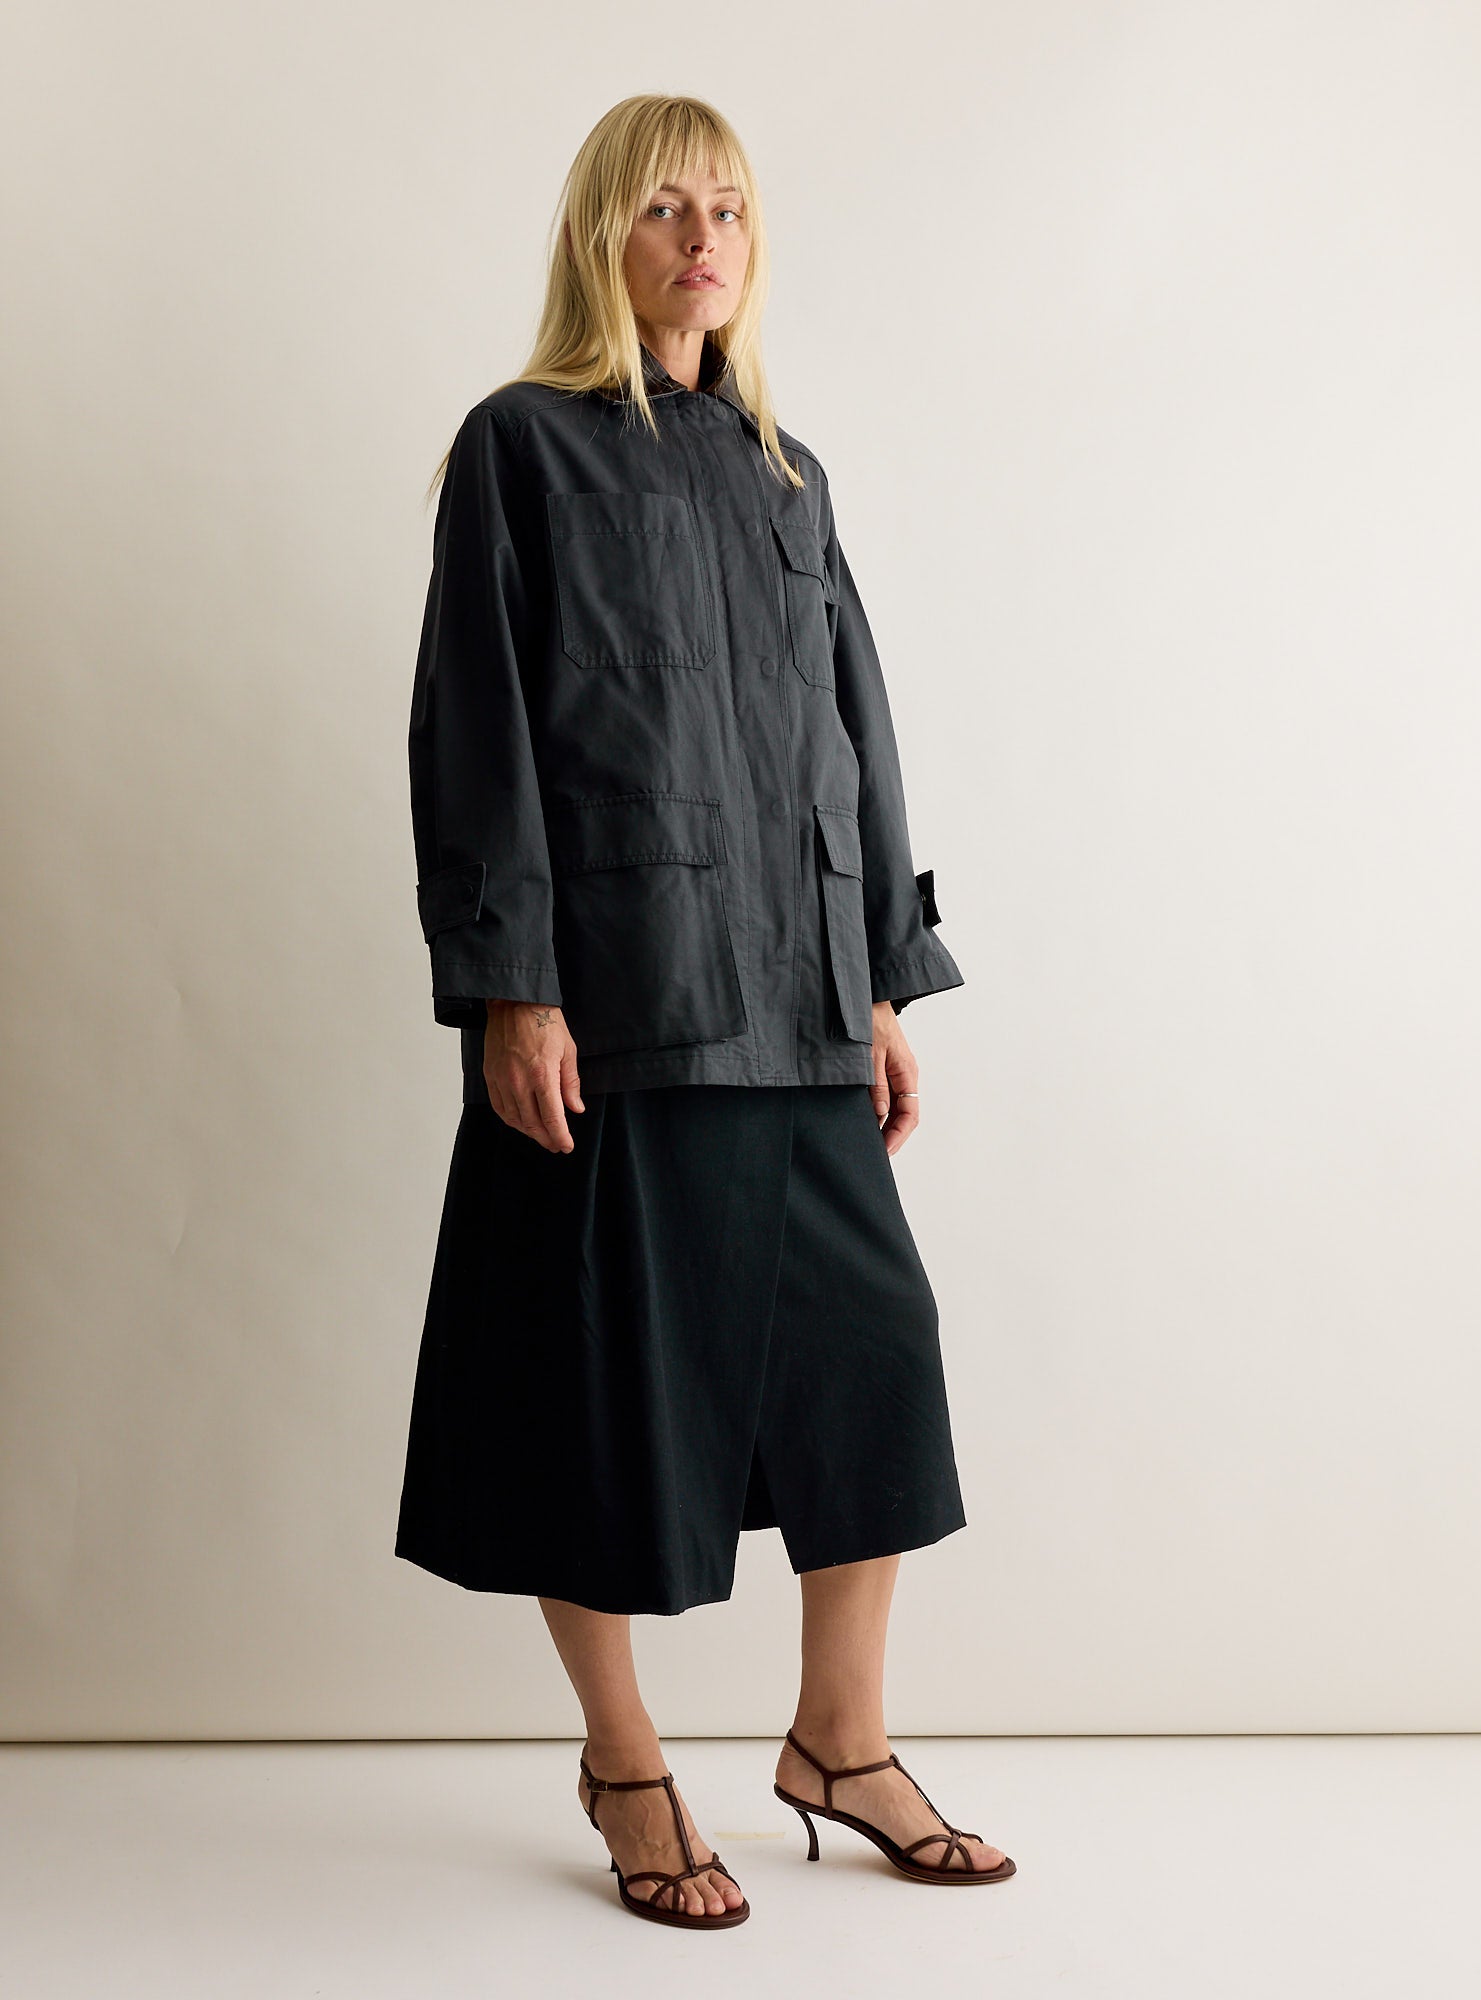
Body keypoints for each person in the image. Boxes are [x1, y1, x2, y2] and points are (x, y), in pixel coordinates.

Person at [395, 93, 1016, 1929]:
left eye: (729, 207)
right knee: (596, 1406)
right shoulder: (521, 449)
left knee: (873, 1382)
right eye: (668, 207)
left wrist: (888, 978)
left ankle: (841, 1738)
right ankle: (626, 1756)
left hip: (804, 999)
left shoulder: (785, 470)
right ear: (607, 235)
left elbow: (854, 733)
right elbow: (476, 729)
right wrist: (512, 986)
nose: (704, 237)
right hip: (618, 1007)